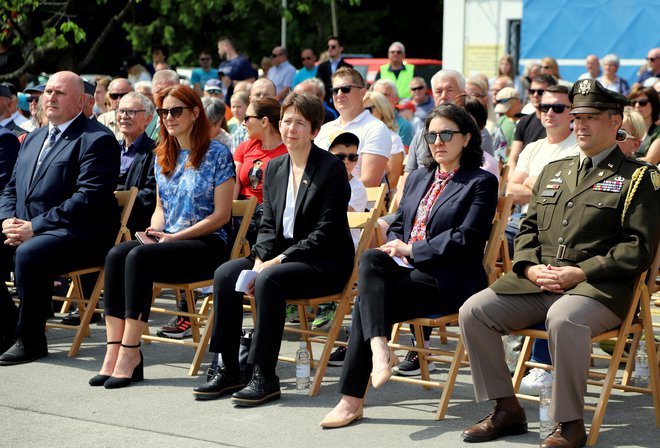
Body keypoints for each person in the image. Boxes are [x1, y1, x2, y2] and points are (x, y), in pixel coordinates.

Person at [458, 79, 659, 447]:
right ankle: (506, 408)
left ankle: (569, 424)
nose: (580, 124)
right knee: (475, 310)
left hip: (598, 289)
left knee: (564, 318)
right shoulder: (555, 170)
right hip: (541, 282)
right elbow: (528, 231)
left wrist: (582, 271)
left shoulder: (639, 178)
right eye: (577, 116)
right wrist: (530, 268)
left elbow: (639, 248)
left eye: (591, 117)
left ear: (616, 122)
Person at [319, 104, 499, 428]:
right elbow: (400, 224)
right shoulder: (418, 176)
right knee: (373, 258)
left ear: (467, 137)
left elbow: (466, 239)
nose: (437, 142)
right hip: (407, 271)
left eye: (447, 134)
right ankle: (379, 348)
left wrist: (412, 250)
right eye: (431, 135)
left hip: (449, 279)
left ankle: (351, 400)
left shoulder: (480, 182)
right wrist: (397, 246)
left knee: (367, 302)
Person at [192, 93, 354, 405]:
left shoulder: (330, 168)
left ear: (315, 131)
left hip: (323, 262)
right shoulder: (276, 167)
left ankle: (264, 375)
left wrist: (275, 262)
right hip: (281, 258)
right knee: (227, 273)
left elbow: (326, 231)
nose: (291, 128)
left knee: (269, 279)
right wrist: (259, 258)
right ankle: (228, 368)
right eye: (287, 121)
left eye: (300, 123)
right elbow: (267, 224)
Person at [90, 84, 235, 388]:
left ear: (195, 113)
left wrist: (176, 236)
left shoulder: (218, 154)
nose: (168, 117)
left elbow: (221, 215)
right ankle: (113, 350)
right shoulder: (162, 155)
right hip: (169, 244)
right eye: (163, 111)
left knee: (139, 257)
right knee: (117, 254)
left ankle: (131, 353)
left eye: (176, 110)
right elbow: (160, 207)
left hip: (207, 245)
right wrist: (157, 230)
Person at [0, 71, 120, 364]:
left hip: (79, 234)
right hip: (29, 228)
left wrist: (35, 228)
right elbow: (11, 188)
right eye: (48, 92)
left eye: (59, 93)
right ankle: (8, 329)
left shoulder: (97, 140)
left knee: (30, 253)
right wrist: (7, 220)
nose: (50, 97)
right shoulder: (34, 137)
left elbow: (87, 199)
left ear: (81, 101)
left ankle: (31, 340)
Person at [314, 67, 392, 188]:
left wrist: (326, 195)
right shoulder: (324, 129)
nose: (339, 94)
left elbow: (369, 181)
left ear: (362, 93)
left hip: (356, 204)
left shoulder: (376, 128)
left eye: (345, 89)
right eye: (335, 90)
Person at [508, 74, 558, 171]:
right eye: (532, 91)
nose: (535, 95)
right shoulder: (523, 122)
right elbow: (513, 159)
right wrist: (512, 179)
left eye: (540, 92)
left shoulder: (559, 123)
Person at [363, 91, 405, 194]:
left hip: (378, 201)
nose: (365, 114)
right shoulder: (357, 136)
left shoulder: (394, 140)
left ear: (382, 110)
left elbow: (392, 182)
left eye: (369, 109)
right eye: (362, 110)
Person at [316, 36, 353, 108]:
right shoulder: (322, 66)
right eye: (328, 46)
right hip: (325, 102)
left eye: (333, 47)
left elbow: (348, 85)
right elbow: (318, 83)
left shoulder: (348, 67)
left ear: (340, 49)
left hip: (342, 102)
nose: (330, 49)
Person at [628, 85, 660, 164]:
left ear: (653, 104)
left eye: (642, 103)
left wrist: (621, 162)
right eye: (633, 102)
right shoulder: (624, 128)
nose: (637, 106)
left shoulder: (658, 132)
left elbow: (651, 160)